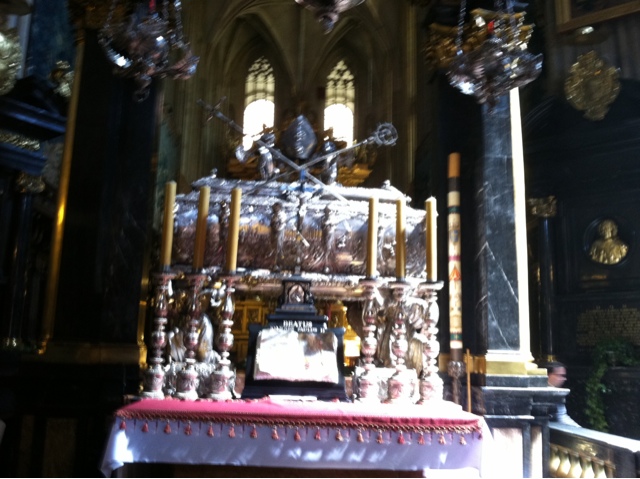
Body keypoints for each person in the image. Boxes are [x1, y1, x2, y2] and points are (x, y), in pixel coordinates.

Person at [545, 361, 581, 427]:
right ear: (548, 375)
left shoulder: (557, 393)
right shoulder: (538, 391)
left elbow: (561, 416)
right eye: (561, 375)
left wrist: (579, 430)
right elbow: (561, 417)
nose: (564, 379)